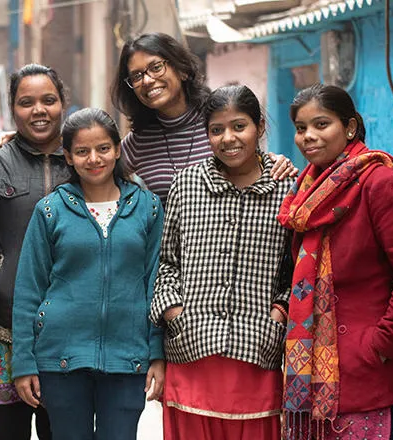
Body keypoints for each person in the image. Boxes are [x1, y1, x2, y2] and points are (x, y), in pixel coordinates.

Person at [279, 84, 393, 439]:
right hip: (312, 377)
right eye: (301, 128)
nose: (308, 136)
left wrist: (382, 343)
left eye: (321, 124)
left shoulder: (378, 182)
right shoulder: (303, 193)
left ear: (349, 127)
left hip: (364, 369)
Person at [149, 85, 294, 439]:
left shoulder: (288, 188)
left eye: (239, 126)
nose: (228, 138)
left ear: (260, 127)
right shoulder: (187, 184)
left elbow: (298, 271)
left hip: (257, 351)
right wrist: (174, 312)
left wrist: (279, 313)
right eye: (217, 130)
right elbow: (167, 262)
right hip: (191, 349)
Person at [12, 108, 165, 440]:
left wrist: (157, 353)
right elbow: (29, 289)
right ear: (68, 155)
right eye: (82, 151)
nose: (94, 158)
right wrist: (23, 362)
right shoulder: (50, 211)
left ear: (117, 149)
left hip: (128, 359)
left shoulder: (148, 208)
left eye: (103, 148)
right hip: (61, 360)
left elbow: (156, 283)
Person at [0, 63, 67, 440]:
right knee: (7, 432)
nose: (39, 110)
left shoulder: (85, 160)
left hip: (69, 332)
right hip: (1, 327)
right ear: (12, 109)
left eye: (48, 100)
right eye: (26, 102)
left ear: (62, 104)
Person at [110, 32, 297, 204]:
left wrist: (276, 163)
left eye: (156, 67)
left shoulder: (219, 123)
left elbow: (252, 165)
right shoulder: (137, 143)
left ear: (182, 70)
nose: (147, 80)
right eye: (137, 76)